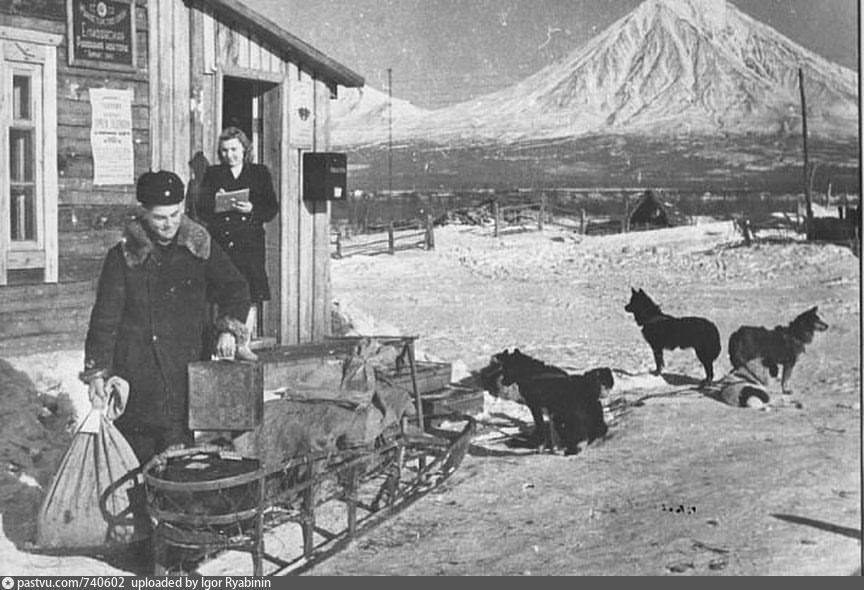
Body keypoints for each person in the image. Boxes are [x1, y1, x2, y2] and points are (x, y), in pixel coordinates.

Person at [81, 170, 253, 464]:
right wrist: (97, 372)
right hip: (136, 376)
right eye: (160, 218)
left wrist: (228, 328)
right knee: (136, 465)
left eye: (175, 214)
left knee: (178, 463)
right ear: (144, 214)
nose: (169, 223)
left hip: (182, 374)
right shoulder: (123, 256)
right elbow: (104, 319)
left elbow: (236, 289)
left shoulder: (199, 246)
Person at [198, 127, 279, 338]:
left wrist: (252, 209)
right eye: (224, 150)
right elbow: (201, 210)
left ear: (244, 149)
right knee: (223, 292)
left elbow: (271, 209)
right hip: (222, 244)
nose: (229, 155)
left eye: (234, 149)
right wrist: (216, 202)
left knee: (250, 293)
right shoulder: (213, 174)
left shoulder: (259, 173)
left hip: (249, 244)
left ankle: (243, 341)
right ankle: (223, 342)